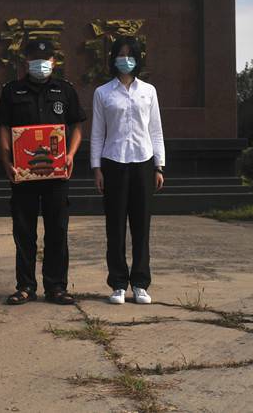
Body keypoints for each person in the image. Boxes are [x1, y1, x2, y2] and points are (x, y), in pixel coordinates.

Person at [0, 39, 86, 306]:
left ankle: (56, 286)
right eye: (35, 57)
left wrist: (70, 155)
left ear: (54, 61)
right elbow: (4, 128)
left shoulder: (65, 90)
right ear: (26, 61)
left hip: (56, 173)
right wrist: (6, 160)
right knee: (24, 231)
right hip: (23, 173)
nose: (40, 62)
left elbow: (76, 126)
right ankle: (25, 286)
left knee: (57, 229)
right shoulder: (12, 90)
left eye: (45, 58)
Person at [90, 36, 165, 305]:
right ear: (113, 59)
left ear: (137, 59)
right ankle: (118, 283)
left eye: (130, 54)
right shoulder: (103, 93)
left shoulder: (149, 91)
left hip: (143, 161)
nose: (125, 59)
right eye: (120, 55)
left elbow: (155, 130)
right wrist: (96, 168)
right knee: (115, 225)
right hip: (113, 162)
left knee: (141, 225)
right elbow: (97, 133)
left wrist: (159, 165)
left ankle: (141, 283)